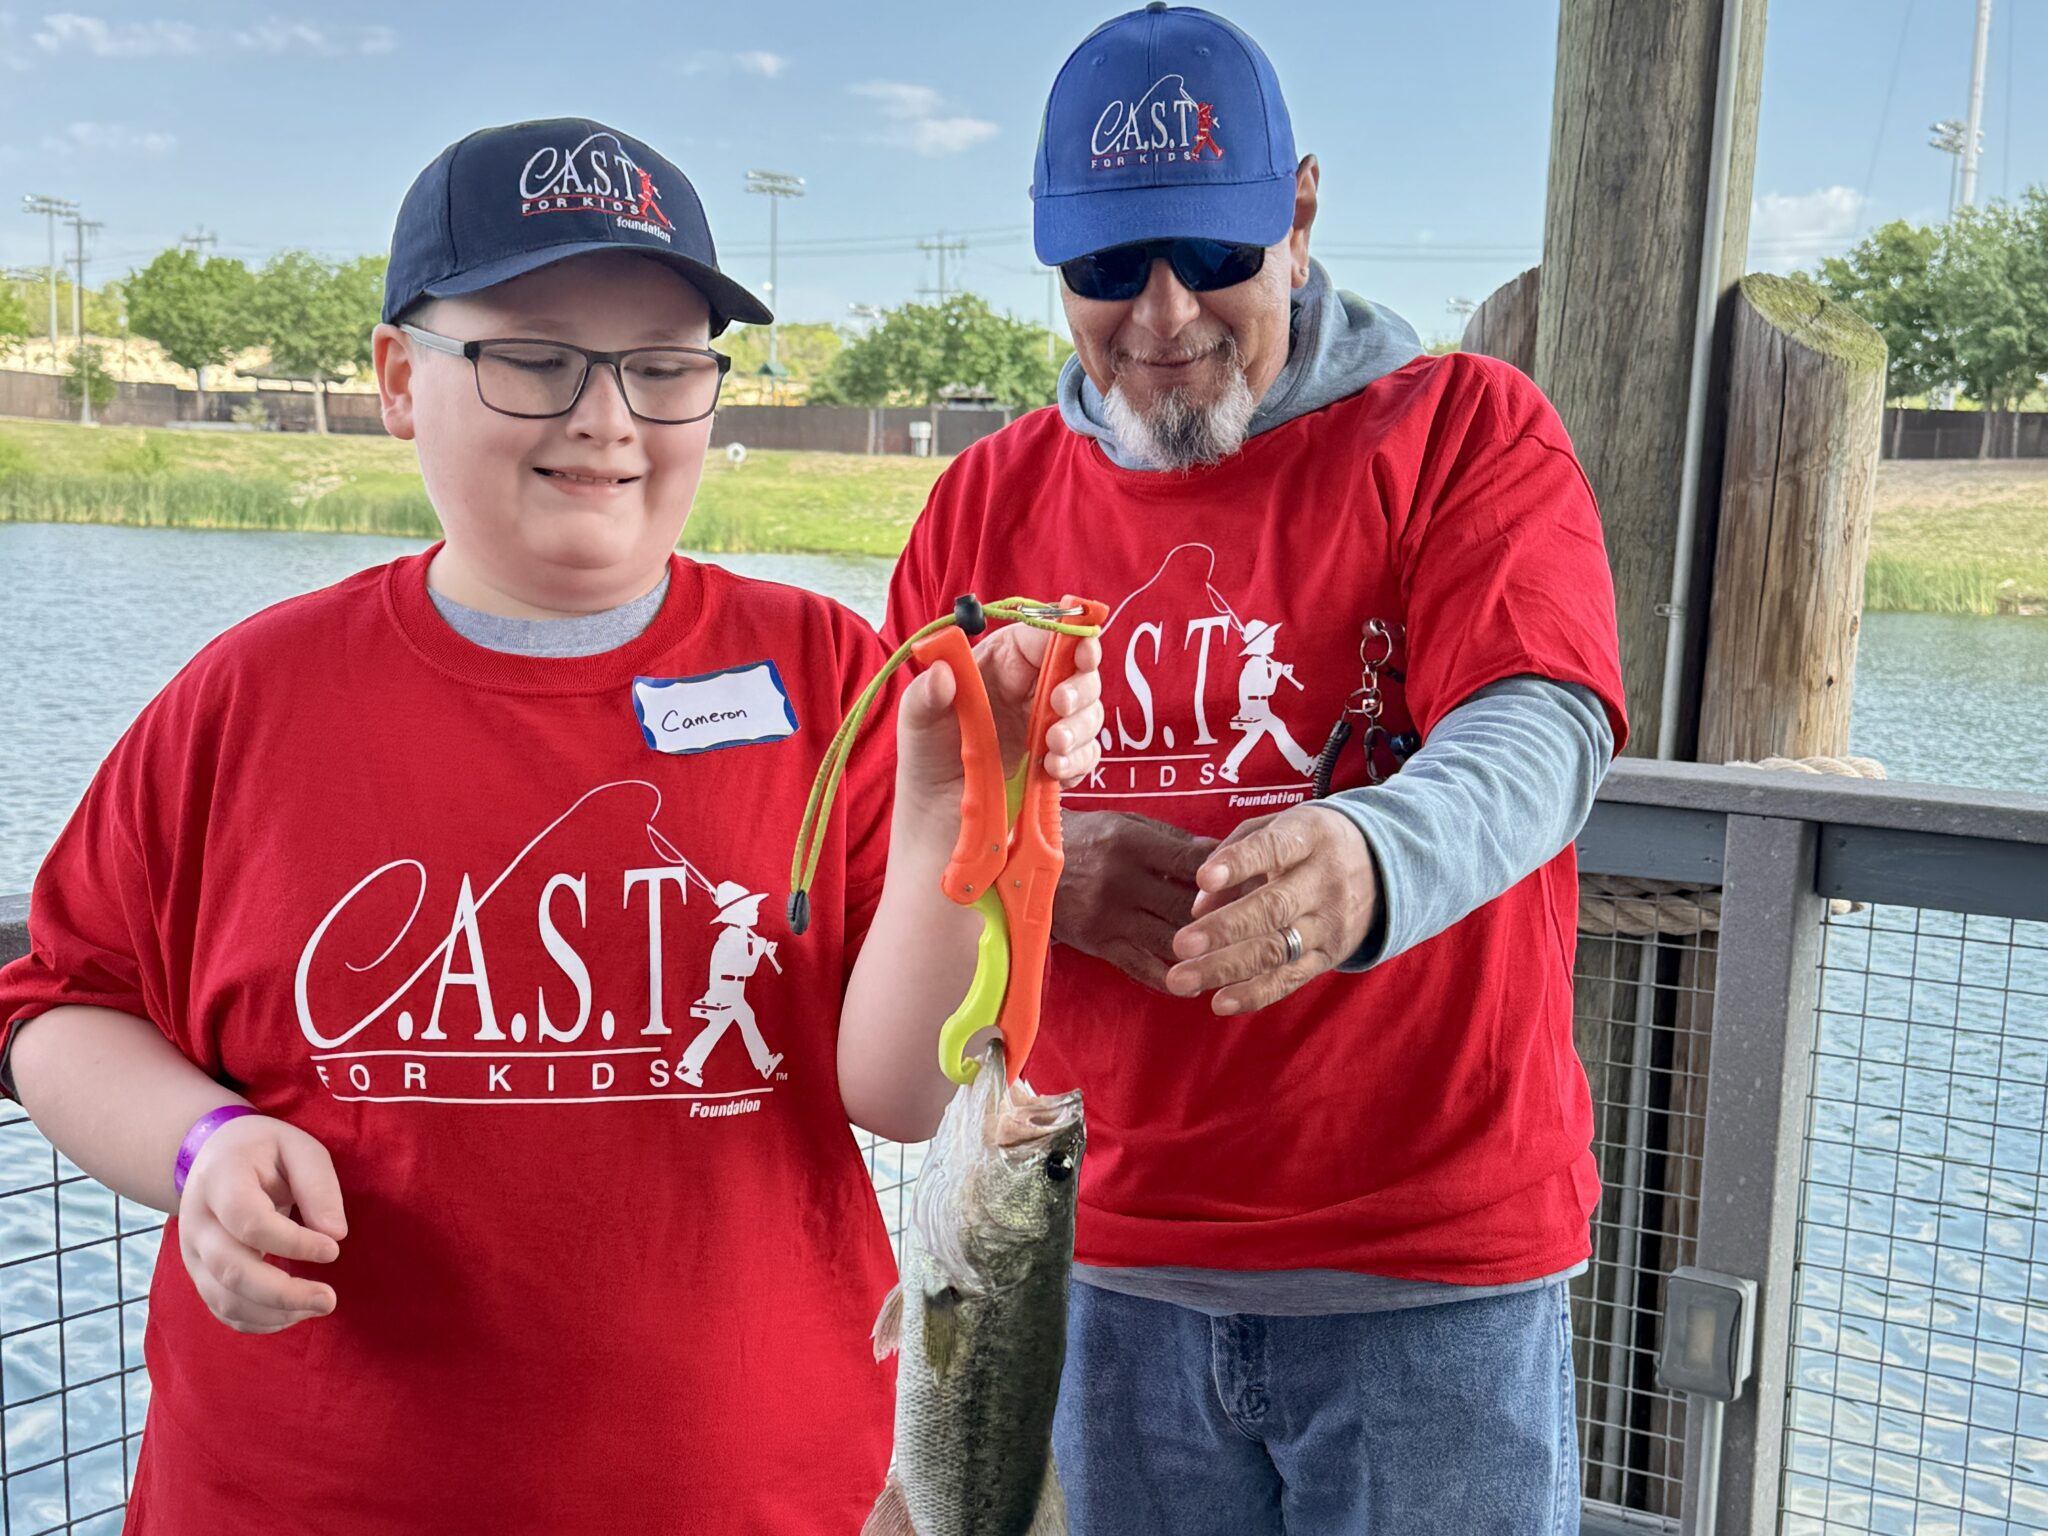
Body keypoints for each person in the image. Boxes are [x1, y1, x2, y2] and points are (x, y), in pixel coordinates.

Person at [0, 118, 1102, 1534]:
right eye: (533, 358)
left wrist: (955, 806)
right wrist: (197, 1143)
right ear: (400, 380)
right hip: (296, 1498)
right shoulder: (247, 698)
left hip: (752, 1501)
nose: (607, 417)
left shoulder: (830, 673)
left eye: (664, 366)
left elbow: (901, 1094)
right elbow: (58, 1004)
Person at [882, 8, 1628, 1533]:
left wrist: (1371, 858)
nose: (1161, 316)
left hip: (1427, 1273)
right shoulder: (981, 504)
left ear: (1298, 216)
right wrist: (1043, 875)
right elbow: (891, 831)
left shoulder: (1466, 430)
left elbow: (1543, 728)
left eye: (1212, 255)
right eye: (1107, 268)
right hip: (1077, 1259)